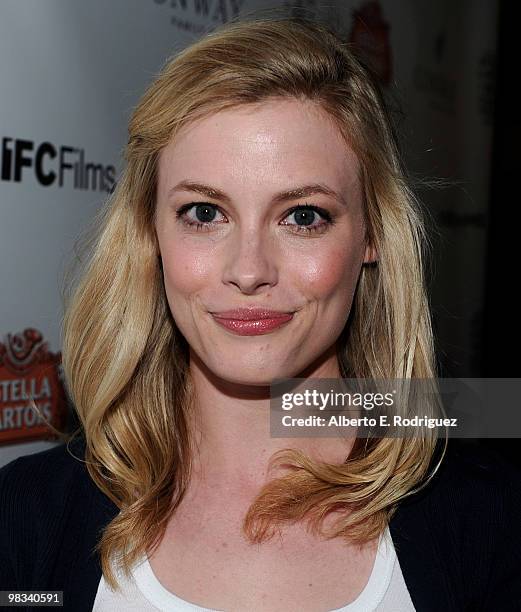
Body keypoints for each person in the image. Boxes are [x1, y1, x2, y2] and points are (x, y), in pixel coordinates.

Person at [1, 16, 520, 612]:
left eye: (302, 216)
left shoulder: (490, 520)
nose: (248, 270)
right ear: (152, 234)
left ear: (373, 235)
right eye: (203, 213)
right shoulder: (29, 515)